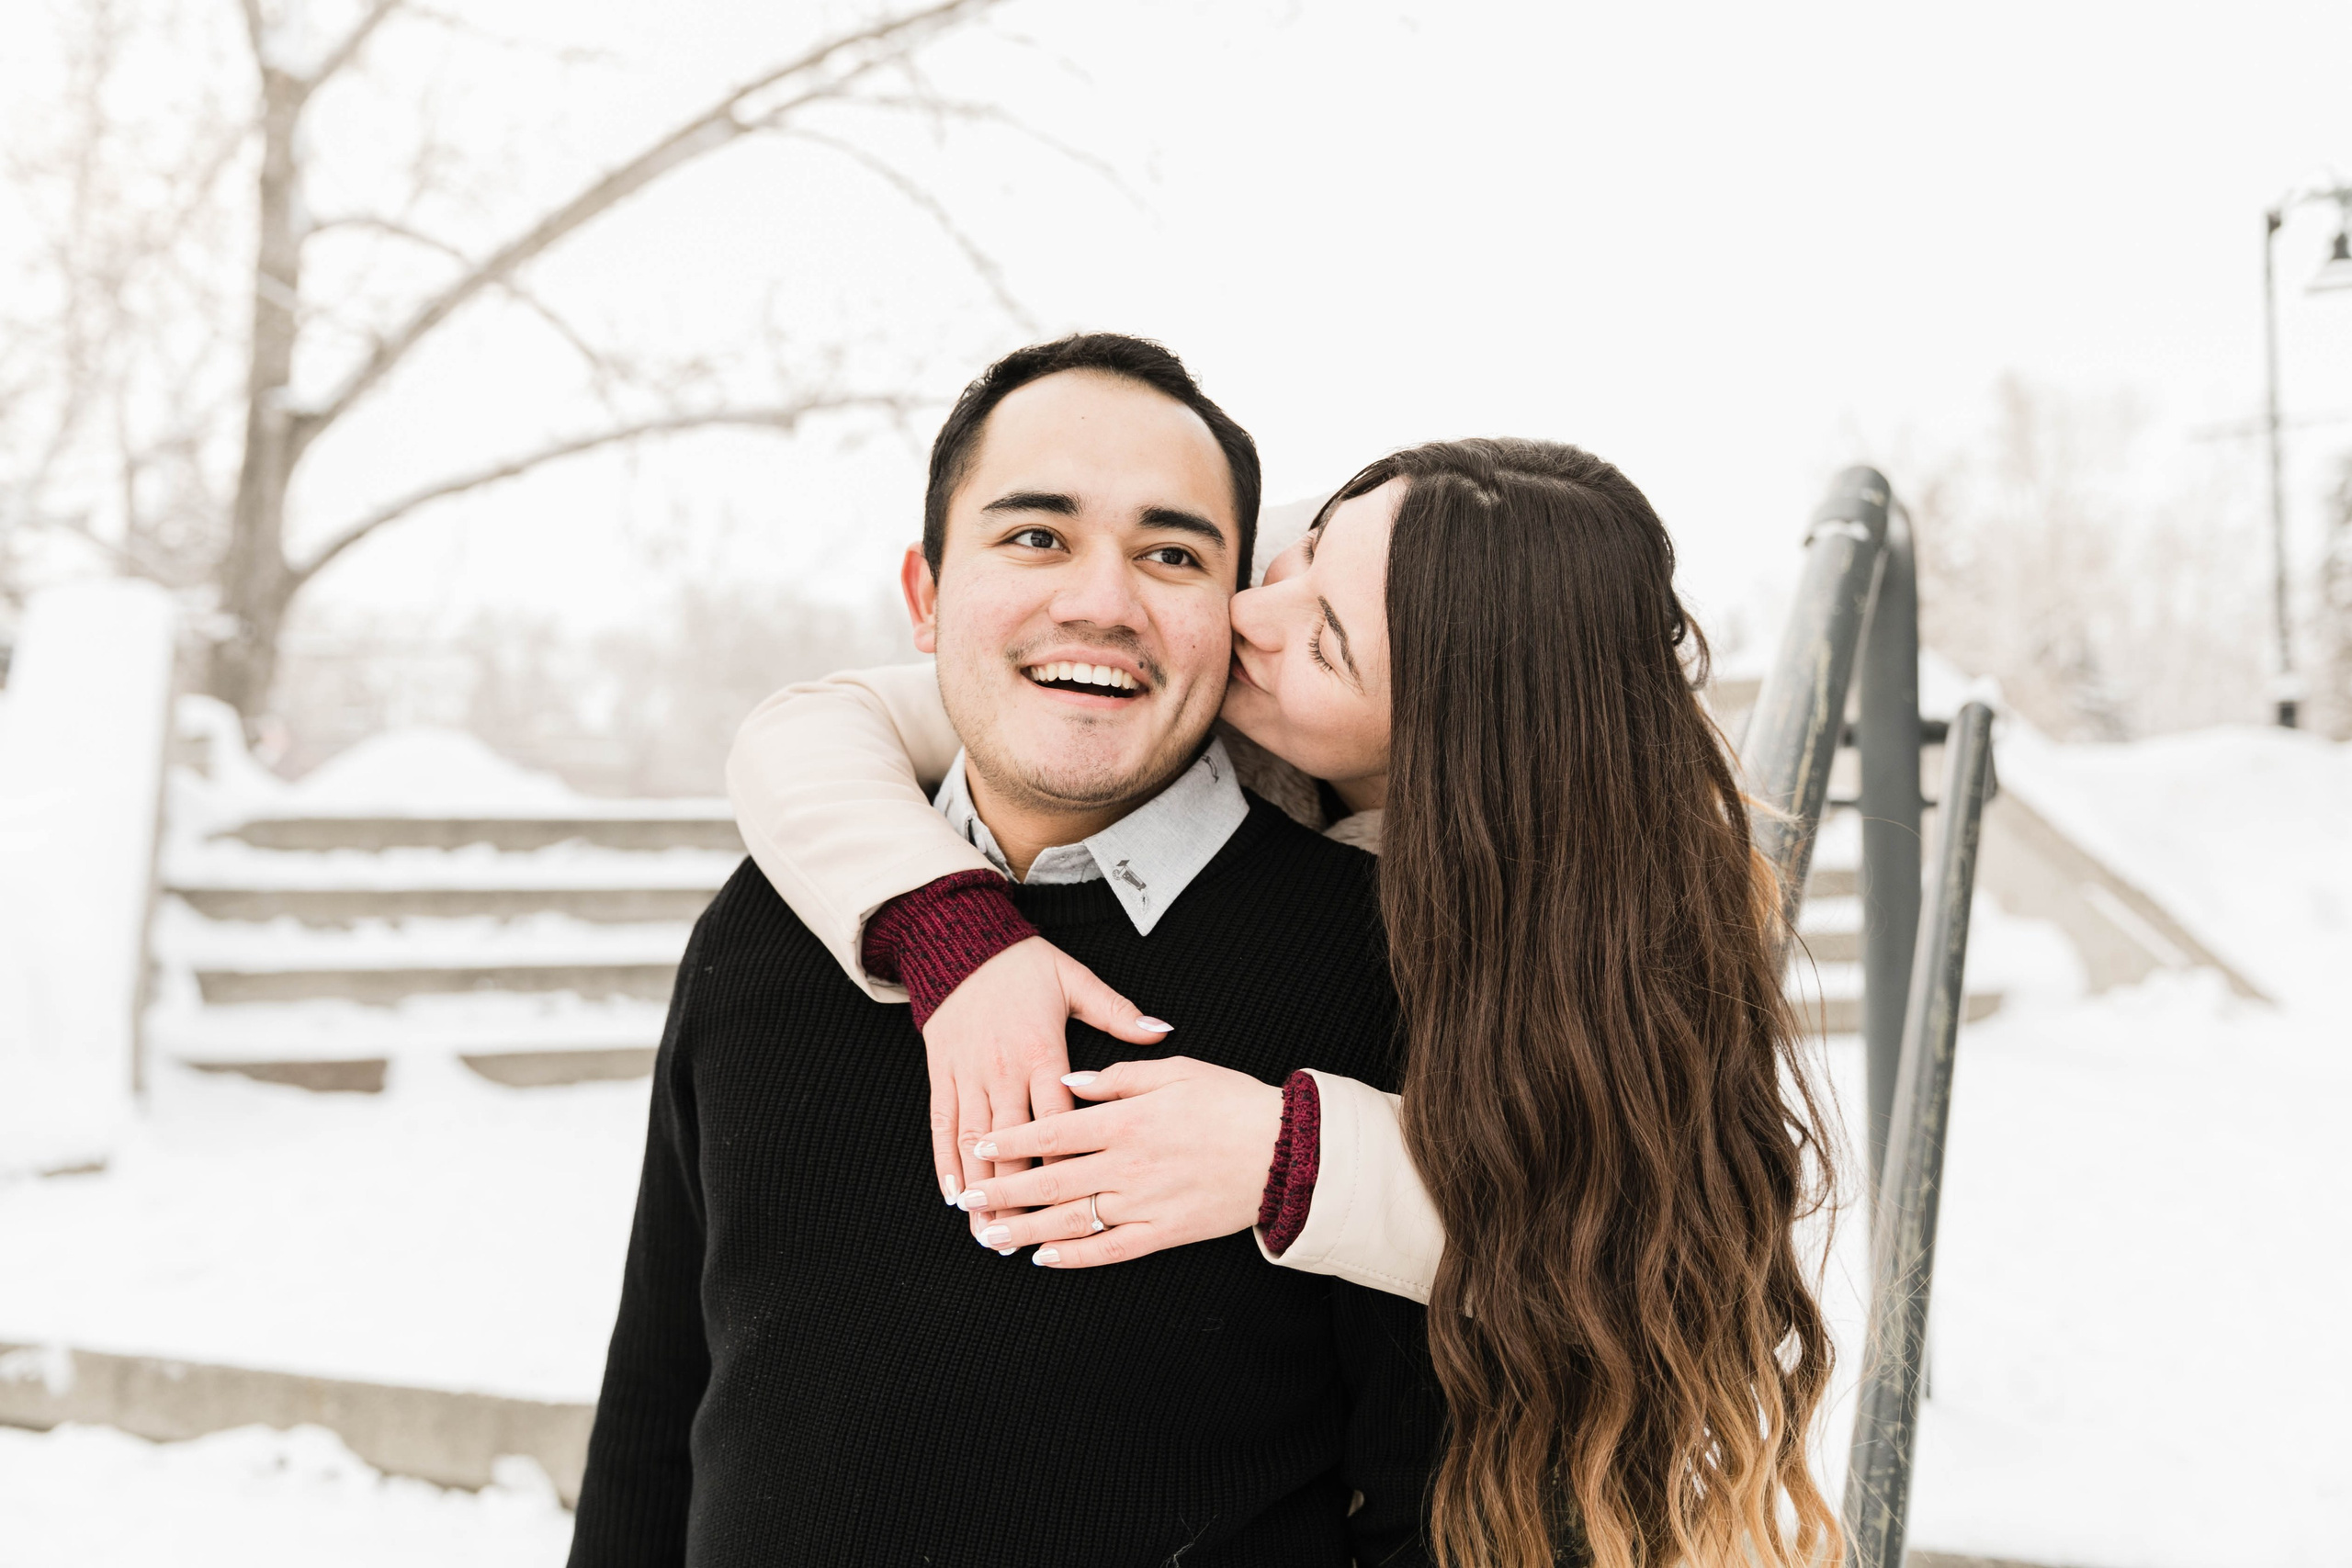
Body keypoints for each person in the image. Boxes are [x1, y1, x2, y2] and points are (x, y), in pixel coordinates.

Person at [729, 420, 1842, 1567]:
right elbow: (815, 727)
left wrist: (1290, 1155)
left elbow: (1659, 1249)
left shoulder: (1609, 929)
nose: (1246, 617)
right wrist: (950, 926)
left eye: (1326, 642)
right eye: (1300, 553)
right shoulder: (1189, 704)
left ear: (1458, 734)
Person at [569, 334, 1443, 1568]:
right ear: (925, 596)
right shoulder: (773, 923)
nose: (1101, 601)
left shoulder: (1381, 964)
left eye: (1173, 553)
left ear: (1231, 616)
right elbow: (662, 1399)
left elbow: (1439, 1509)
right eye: (1037, 536)